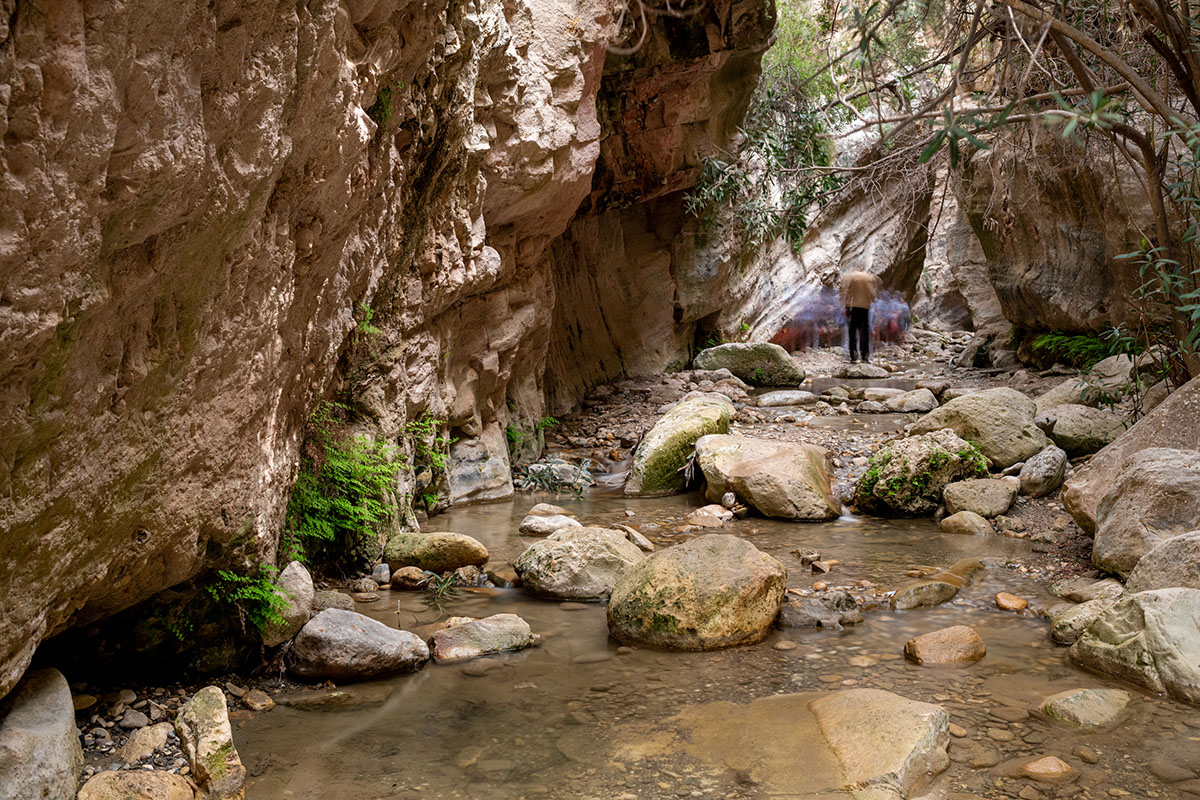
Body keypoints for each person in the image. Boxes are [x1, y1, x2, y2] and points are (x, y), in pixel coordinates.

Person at [840, 270, 879, 363]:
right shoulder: (868, 278)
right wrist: (873, 300)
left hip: (854, 308)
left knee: (852, 332)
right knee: (865, 332)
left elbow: (849, 293)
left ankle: (853, 356)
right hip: (865, 308)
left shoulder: (853, 277)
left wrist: (847, 307)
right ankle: (865, 355)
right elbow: (871, 293)